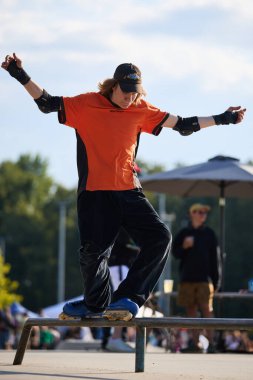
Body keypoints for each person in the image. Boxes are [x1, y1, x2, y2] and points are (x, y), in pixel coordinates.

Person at [1, 53, 246, 322]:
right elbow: (47, 103)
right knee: (93, 254)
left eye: (135, 93)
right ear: (113, 86)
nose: (130, 98)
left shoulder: (142, 109)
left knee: (160, 238)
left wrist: (224, 118)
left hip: (128, 191)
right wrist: (19, 74)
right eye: (126, 92)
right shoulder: (85, 104)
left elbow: (184, 125)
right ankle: (95, 303)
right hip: (95, 193)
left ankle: (127, 297)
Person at [172, 203, 222, 353]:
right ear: (191, 213)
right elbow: (175, 254)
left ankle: (212, 344)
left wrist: (217, 279)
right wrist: (184, 247)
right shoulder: (183, 233)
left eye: (204, 213)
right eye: (199, 212)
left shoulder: (209, 233)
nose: (202, 215)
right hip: (187, 278)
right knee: (191, 311)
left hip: (204, 279)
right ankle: (196, 344)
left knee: (207, 310)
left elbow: (216, 258)